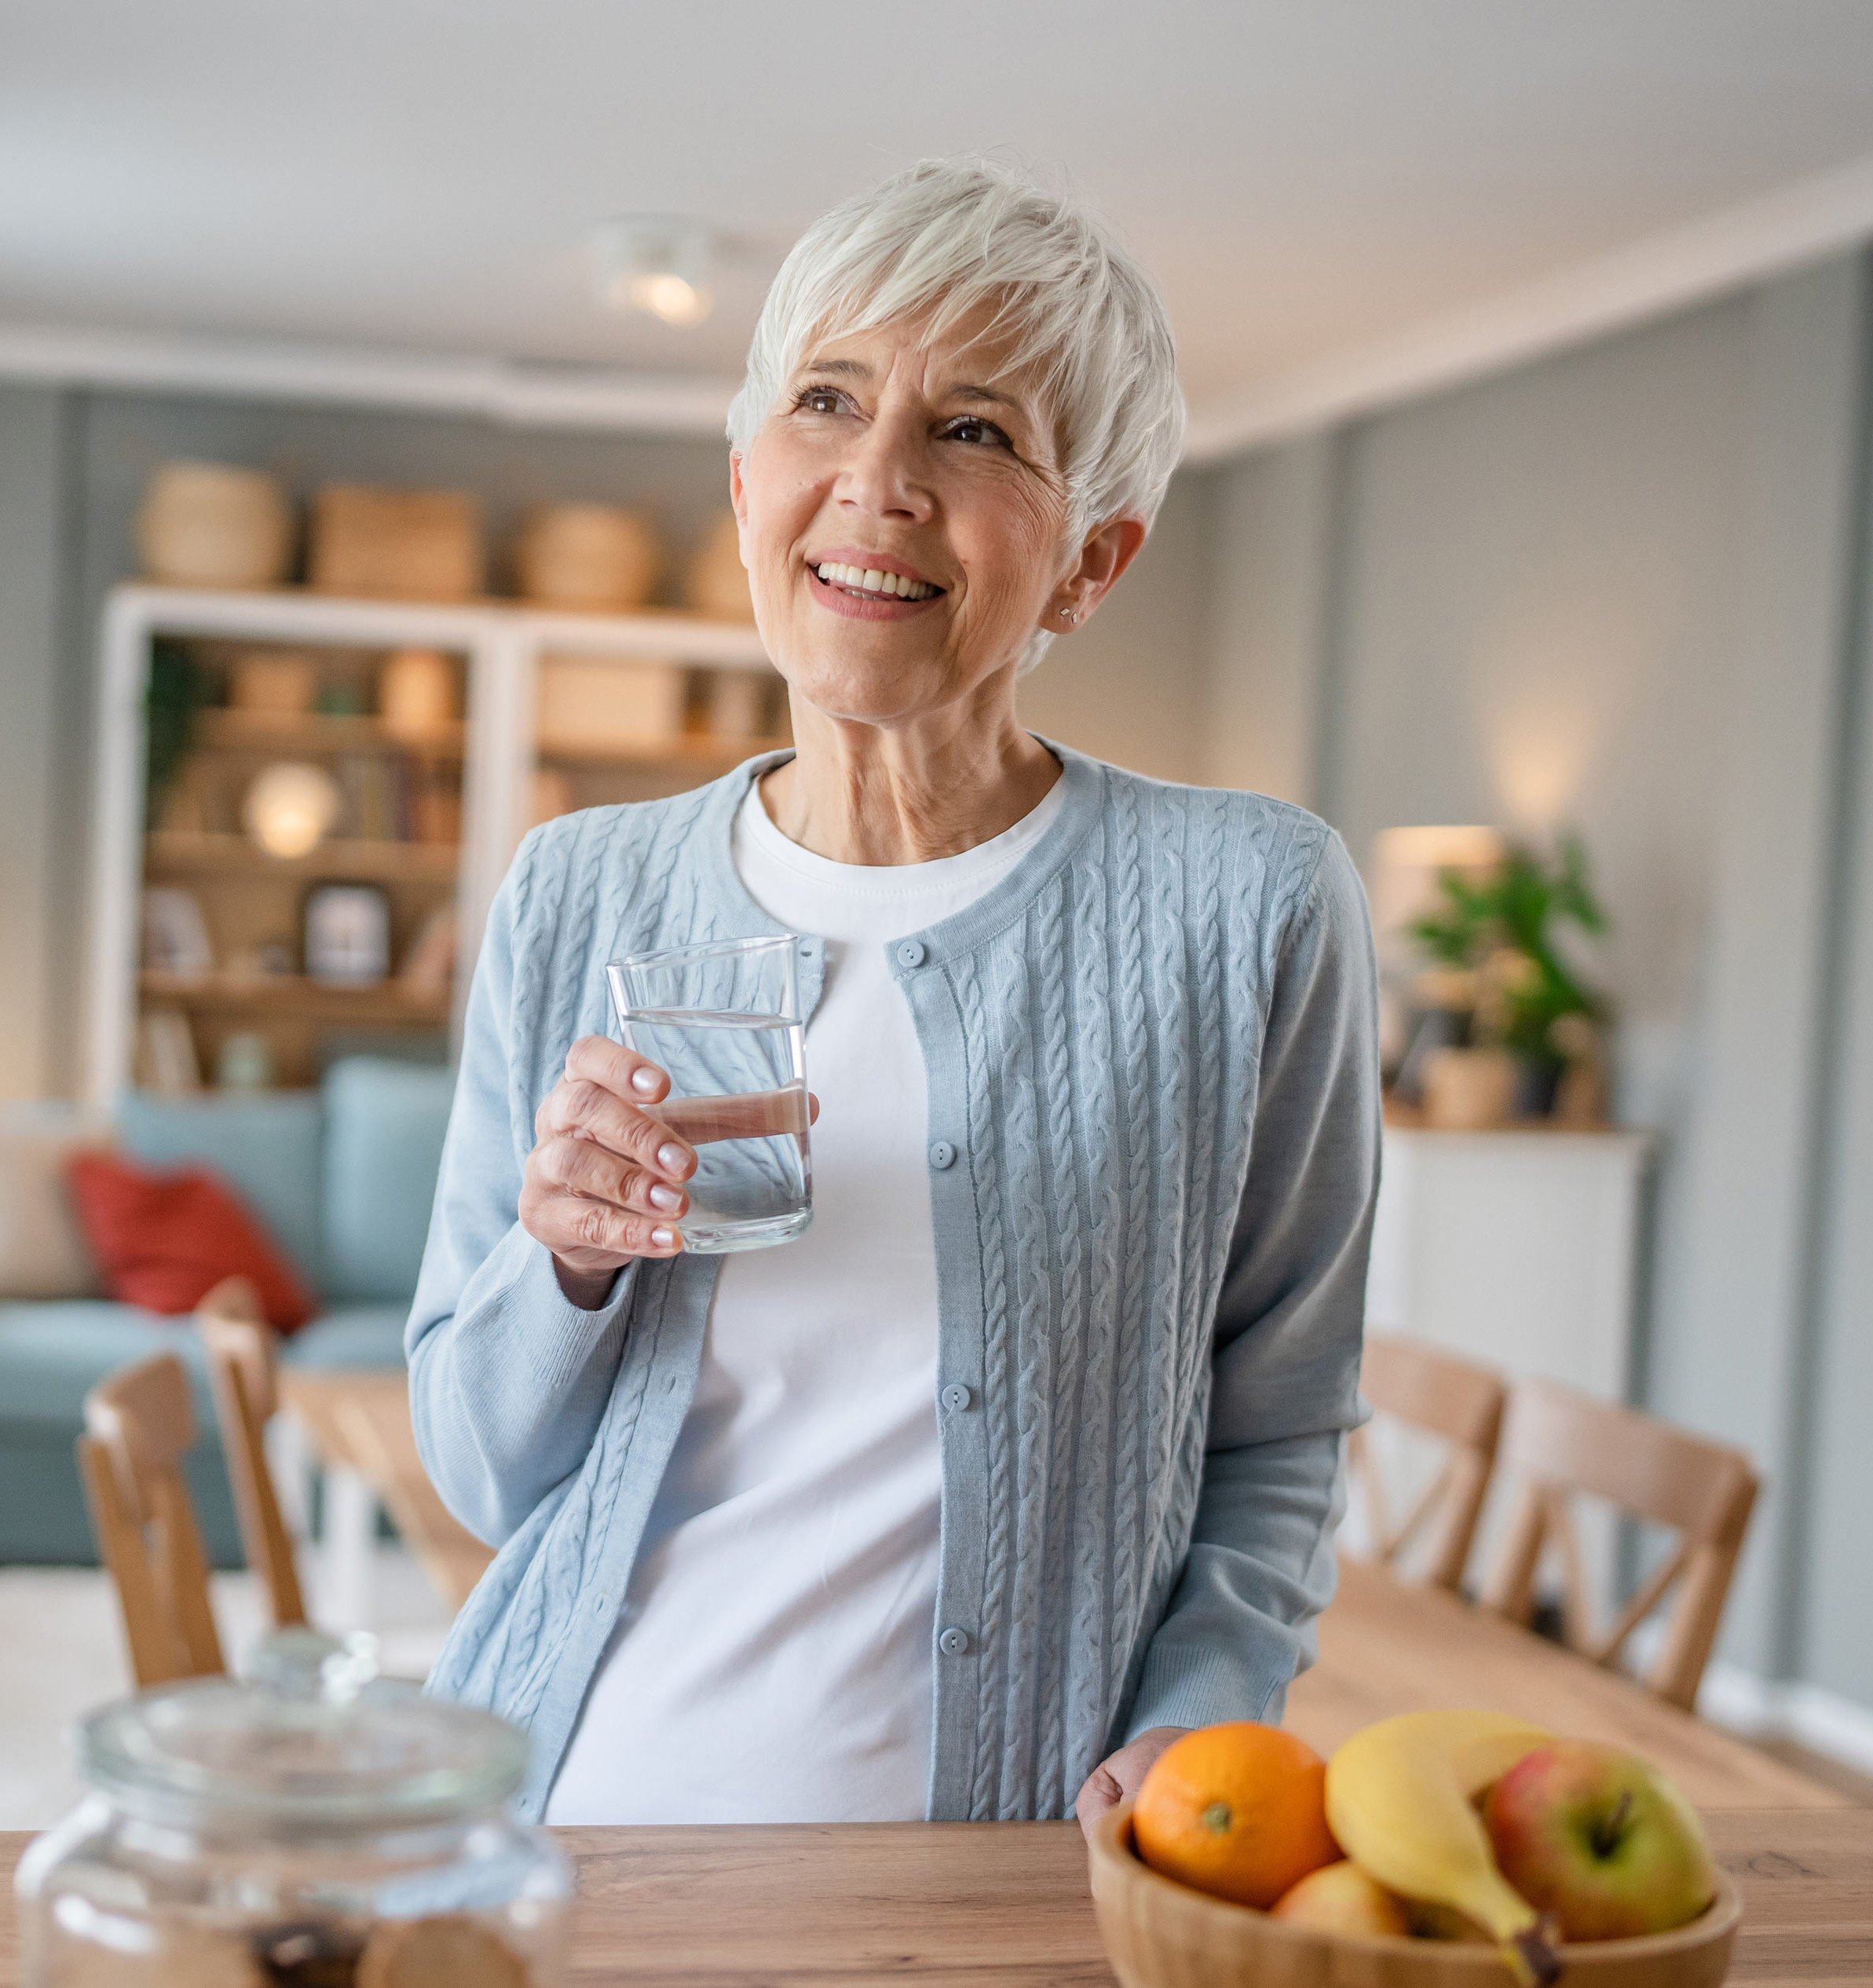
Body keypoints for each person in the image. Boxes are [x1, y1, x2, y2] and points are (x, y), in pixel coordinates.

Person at [406, 156, 1377, 1826]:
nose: (879, 482)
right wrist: (558, 1263)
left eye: (976, 430)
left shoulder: (1252, 904)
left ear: (1090, 561)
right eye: (828, 402)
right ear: (743, 488)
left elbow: (1278, 1425)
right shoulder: (580, 888)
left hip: (1005, 1865)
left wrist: (1203, 1711)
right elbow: (486, 1473)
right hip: (566, 1823)